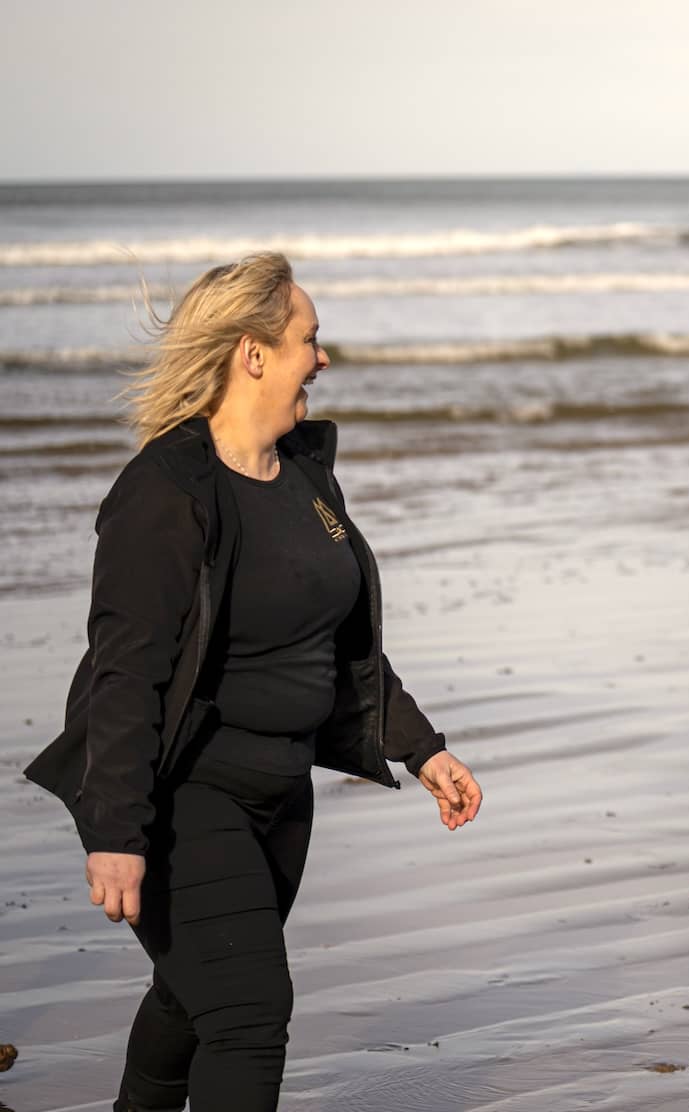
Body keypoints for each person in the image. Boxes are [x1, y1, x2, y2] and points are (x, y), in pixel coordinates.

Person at [24, 253, 484, 1111]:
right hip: (186, 796)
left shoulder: (307, 477)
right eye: (311, 337)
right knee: (248, 1012)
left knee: (194, 996)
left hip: (281, 800)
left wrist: (422, 750)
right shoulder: (165, 491)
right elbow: (126, 672)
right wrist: (116, 830)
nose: (323, 357)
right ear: (254, 353)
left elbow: (345, 646)